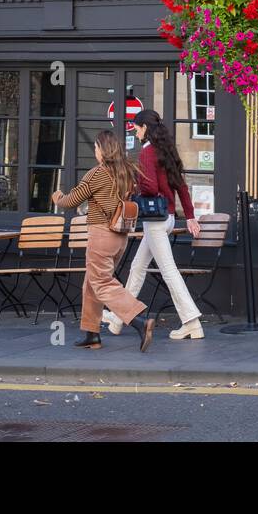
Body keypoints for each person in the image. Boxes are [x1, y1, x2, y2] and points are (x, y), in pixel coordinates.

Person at [104, 108, 205, 340]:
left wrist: (136, 186)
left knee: (168, 272)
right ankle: (119, 318)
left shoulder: (147, 153)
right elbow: (181, 186)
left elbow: (149, 188)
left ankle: (191, 321)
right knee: (138, 268)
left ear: (145, 129)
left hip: (155, 222)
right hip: (167, 218)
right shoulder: (166, 150)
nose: (136, 132)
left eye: (137, 128)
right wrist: (189, 215)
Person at [52, 130, 155, 352]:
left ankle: (139, 321)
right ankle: (92, 334)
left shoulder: (97, 174)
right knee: (92, 283)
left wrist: (58, 198)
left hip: (101, 235)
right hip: (120, 236)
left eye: (97, 148)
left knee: (102, 283)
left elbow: (72, 201)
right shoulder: (126, 172)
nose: (95, 152)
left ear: (103, 150)